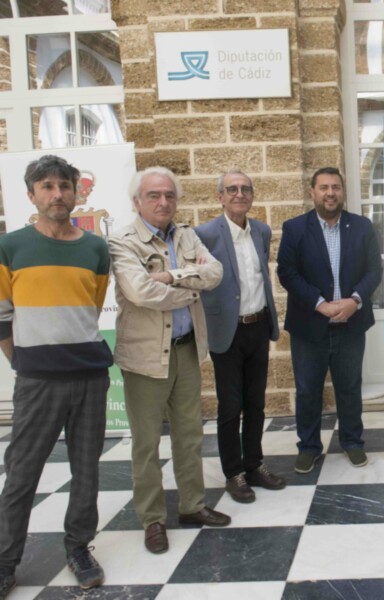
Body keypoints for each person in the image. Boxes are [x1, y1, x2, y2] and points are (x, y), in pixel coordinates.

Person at [0, 155, 113, 596]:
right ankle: (6, 561)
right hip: (38, 381)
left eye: (64, 186)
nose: (57, 194)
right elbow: (2, 317)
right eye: (46, 186)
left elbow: (92, 306)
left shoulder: (95, 249)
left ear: (76, 192)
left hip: (89, 376)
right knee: (22, 472)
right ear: (32, 195)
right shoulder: (10, 247)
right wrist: (24, 361)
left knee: (86, 470)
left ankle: (78, 548)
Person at [109, 167, 230, 556]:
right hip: (145, 356)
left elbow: (215, 273)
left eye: (169, 195)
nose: (163, 202)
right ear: (137, 202)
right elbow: (142, 292)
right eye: (154, 195)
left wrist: (171, 276)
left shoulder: (186, 235)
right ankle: (152, 519)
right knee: (146, 443)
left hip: (187, 349)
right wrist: (190, 286)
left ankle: (192, 505)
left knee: (189, 433)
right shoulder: (122, 242)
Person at [277, 167, 382, 474]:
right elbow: (287, 273)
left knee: (349, 387)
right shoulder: (295, 228)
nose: (330, 193)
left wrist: (354, 301)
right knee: (308, 390)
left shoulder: (361, 227)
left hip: (351, 324)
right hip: (309, 327)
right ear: (312, 192)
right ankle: (309, 447)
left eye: (335, 187)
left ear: (343, 191)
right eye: (324, 187)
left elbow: (374, 270)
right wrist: (319, 304)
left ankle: (352, 442)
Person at [195, 169, 284, 503]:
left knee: (256, 403)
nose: (239, 194)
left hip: (257, 325)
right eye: (231, 189)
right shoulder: (205, 234)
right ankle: (233, 473)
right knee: (230, 406)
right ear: (220, 196)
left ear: (252, 195)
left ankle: (254, 465)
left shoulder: (261, 230)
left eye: (245, 189)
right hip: (226, 331)